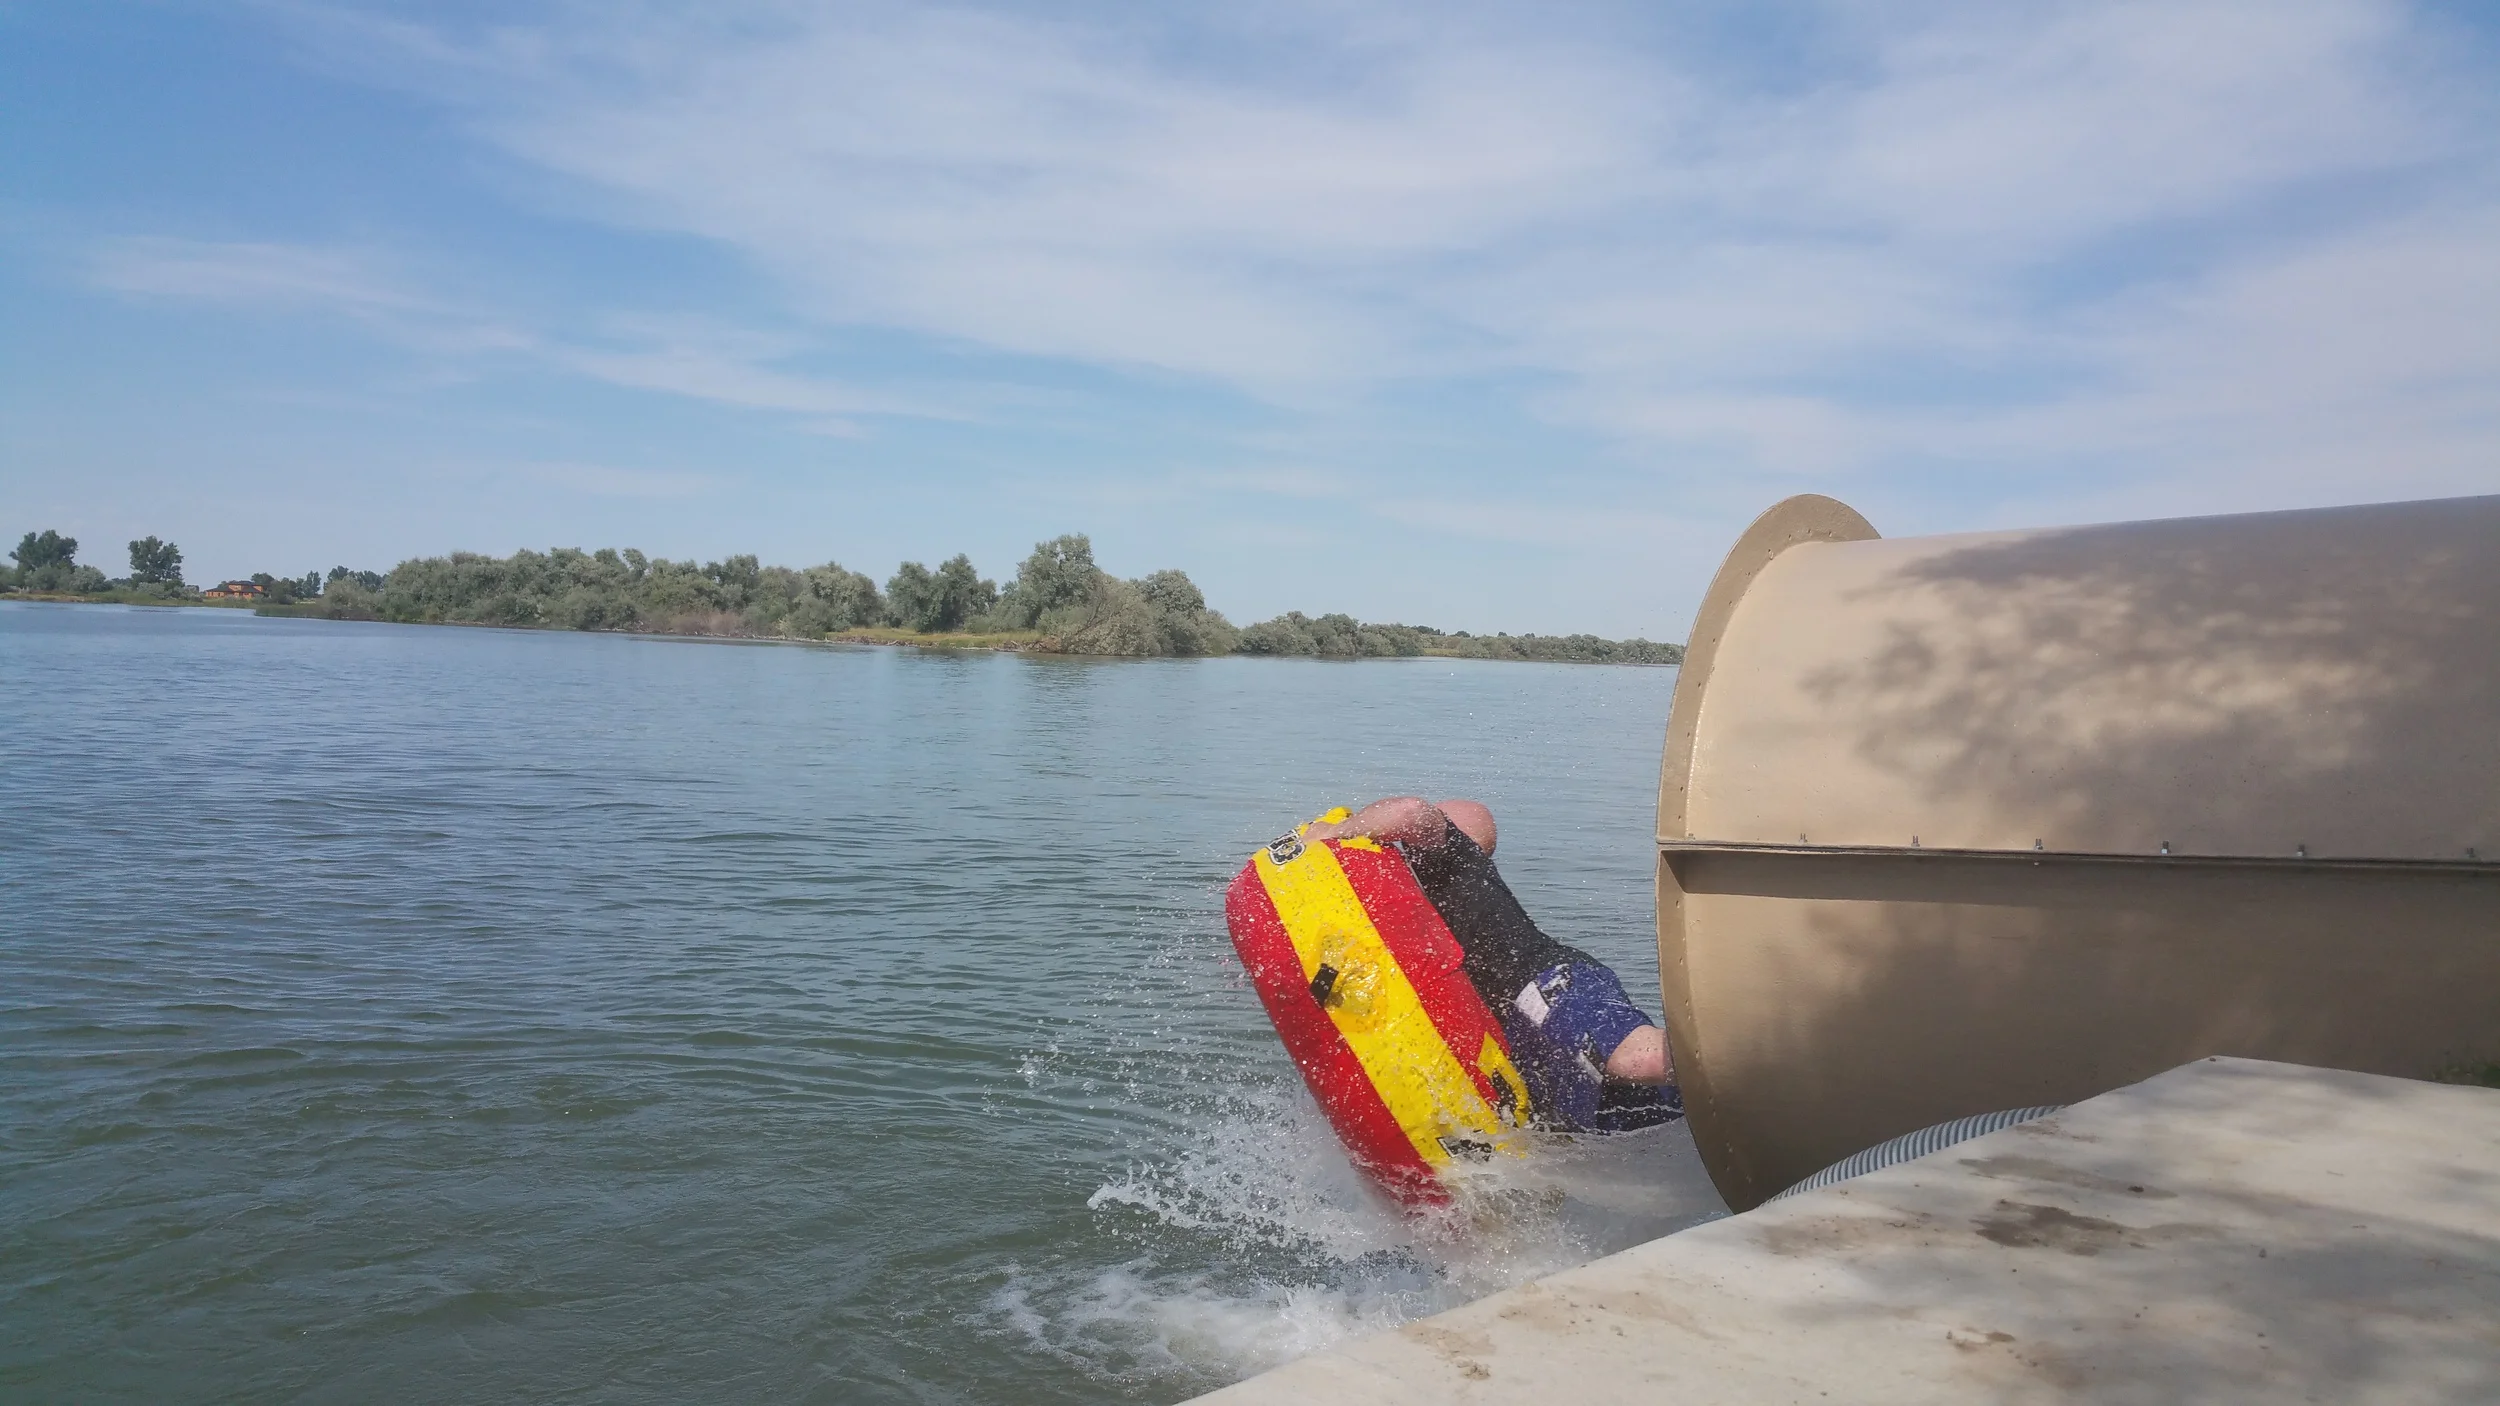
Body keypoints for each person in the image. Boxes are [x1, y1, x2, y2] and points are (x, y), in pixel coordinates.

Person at [1303, 796, 1683, 1135]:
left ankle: (1736, 1062)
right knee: (1630, 1111)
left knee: (1638, 1060)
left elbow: (1411, 812)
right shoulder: (1407, 899)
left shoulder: (1448, 860)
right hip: (1515, 1031)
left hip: (1544, 985)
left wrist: (1335, 832)